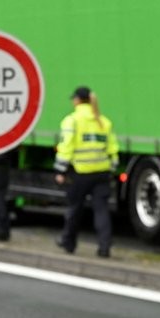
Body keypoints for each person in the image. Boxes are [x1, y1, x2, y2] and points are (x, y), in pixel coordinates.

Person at [54, 85, 119, 257]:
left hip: (80, 173)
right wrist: (112, 169)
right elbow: (112, 148)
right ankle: (104, 247)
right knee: (101, 210)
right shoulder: (104, 122)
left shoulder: (72, 121)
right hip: (102, 173)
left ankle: (68, 242)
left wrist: (60, 170)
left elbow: (66, 146)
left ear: (77, 100)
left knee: (74, 209)